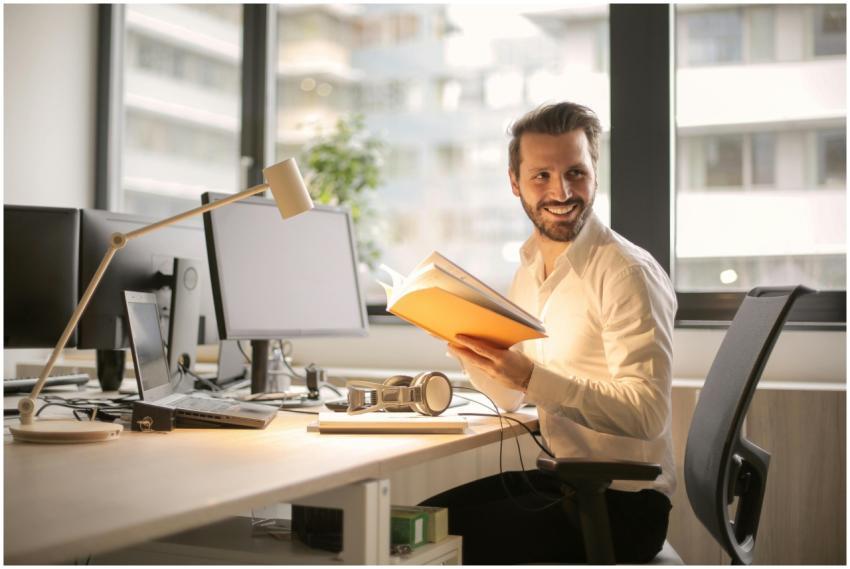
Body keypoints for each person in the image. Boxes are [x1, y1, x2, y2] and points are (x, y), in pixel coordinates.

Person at [420, 102, 676, 564]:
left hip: (623, 506)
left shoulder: (625, 272)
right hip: (566, 482)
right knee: (419, 522)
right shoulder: (531, 267)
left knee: (426, 545)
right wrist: (467, 347)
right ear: (514, 183)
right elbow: (510, 399)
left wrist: (529, 377)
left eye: (576, 172)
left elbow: (647, 413)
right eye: (542, 176)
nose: (562, 191)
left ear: (595, 172)